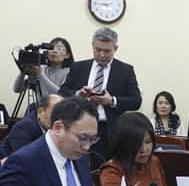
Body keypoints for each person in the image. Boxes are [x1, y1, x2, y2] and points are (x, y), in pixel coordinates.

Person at [59, 27, 141, 165]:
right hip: (78, 127)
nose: (102, 54)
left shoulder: (125, 70)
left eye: (107, 51)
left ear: (115, 48)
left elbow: (136, 100)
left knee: (105, 168)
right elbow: (62, 92)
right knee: (77, 166)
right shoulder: (78, 67)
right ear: (92, 45)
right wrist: (79, 94)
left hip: (109, 131)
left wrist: (112, 101)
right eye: (98, 49)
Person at [100, 112, 181, 186]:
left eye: (148, 142)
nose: (144, 149)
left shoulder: (154, 161)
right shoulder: (111, 168)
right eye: (137, 144)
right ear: (123, 144)